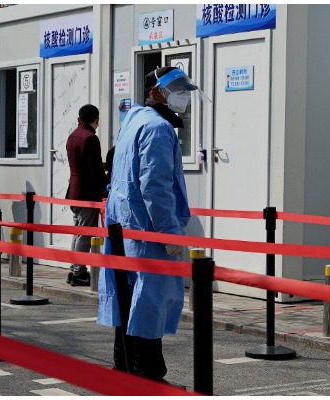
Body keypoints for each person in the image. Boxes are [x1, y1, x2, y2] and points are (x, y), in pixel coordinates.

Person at [97, 66, 198, 383]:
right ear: (156, 91)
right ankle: (148, 377)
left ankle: (124, 368)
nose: (182, 96)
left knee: (128, 300)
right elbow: (155, 187)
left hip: (125, 226)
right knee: (149, 303)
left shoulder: (133, 120)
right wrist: (170, 234)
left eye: (184, 90)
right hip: (147, 231)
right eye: (176, 89)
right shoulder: (157, 127)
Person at [65, 104, 108, 286]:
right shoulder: (90, 138)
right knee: (85, 233)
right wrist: (106, 184)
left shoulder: (73, 135)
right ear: (96, 120)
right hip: (87, 193)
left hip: (74, 190)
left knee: (78, 231)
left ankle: (74, 268)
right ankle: (79, 272)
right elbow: (94, 170)